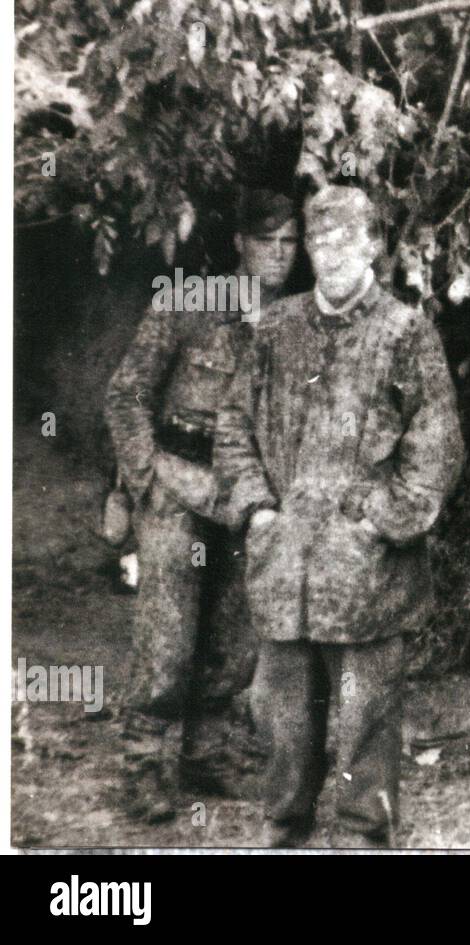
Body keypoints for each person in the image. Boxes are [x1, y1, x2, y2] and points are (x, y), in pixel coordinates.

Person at [216, 185, 464, 848]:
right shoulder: (274, 327)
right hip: (286, 566)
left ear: (373, 247)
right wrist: (258, 511)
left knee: (366, 718)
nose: (329, 253)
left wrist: (381, 521)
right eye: (319, 240)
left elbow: (436, 445)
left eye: (345, 240)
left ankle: (363, 836)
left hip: (367, 575)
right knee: (281, 714)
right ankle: (283, 826)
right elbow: (233, 423)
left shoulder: (406, 331)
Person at [105, 189, 298, 821]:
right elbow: (127, 394)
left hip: (244, 493)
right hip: (178, 483)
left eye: (291, 242)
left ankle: (207, 751)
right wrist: (144, 480)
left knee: (236, 637)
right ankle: (140, 762)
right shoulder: (193, 299)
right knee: (169, 636)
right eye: (267, 240)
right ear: (240, 242)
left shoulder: (295, 320)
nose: (280, 253)